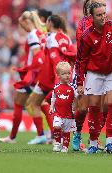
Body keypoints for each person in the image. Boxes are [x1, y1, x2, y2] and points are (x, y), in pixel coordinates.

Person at [75, 2, 112, 154]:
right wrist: (80, 82)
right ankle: (94, 142)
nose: (103, 17)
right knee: (94, 106)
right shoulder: (86, 35)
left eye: (104, 13)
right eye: (99, 15)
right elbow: (80, 60)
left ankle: (110, 141)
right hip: (94, 73)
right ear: (92, 17)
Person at [26, 15, 74, 145]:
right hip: (61, 76)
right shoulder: (67, 38)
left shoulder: (52, 38)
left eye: (47, 21)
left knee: (33, 104)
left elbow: (55, 60)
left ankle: (45, 135)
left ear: (50, 23)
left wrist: (57, 81)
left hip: (49, 77)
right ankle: (53, 135)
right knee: (44, 104)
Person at [0, 11, 46, 143]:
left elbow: (37, 56)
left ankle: (14, 137)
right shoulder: (40, 33)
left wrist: (28, 70)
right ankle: (49, 135)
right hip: (40, 74)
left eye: (22, 25)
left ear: (27, 22)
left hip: (32, 75)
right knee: (40, 104)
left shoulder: (32, 35)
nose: (22, 28)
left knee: (20, 103)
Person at [72, 0, 107, 151]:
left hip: (101, 68)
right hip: (85, 69)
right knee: (83, 107)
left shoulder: (107, 24)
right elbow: (84, 44)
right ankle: (77, 134)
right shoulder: (83, 24)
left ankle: (95, 138)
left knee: (100, 106)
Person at [50, 61, 77, 153]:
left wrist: (75, 107)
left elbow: (76, 98)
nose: (67, 75)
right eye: (64, 73)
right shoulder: (56, 87)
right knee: (56, 126)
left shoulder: (73, 87)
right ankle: (57, 143)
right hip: (58, 113)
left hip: (69, 114)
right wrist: (51, 107)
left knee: (66, 131)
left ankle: (65, 146)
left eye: (69, 73)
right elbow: (53, 98)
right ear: (58, 75)